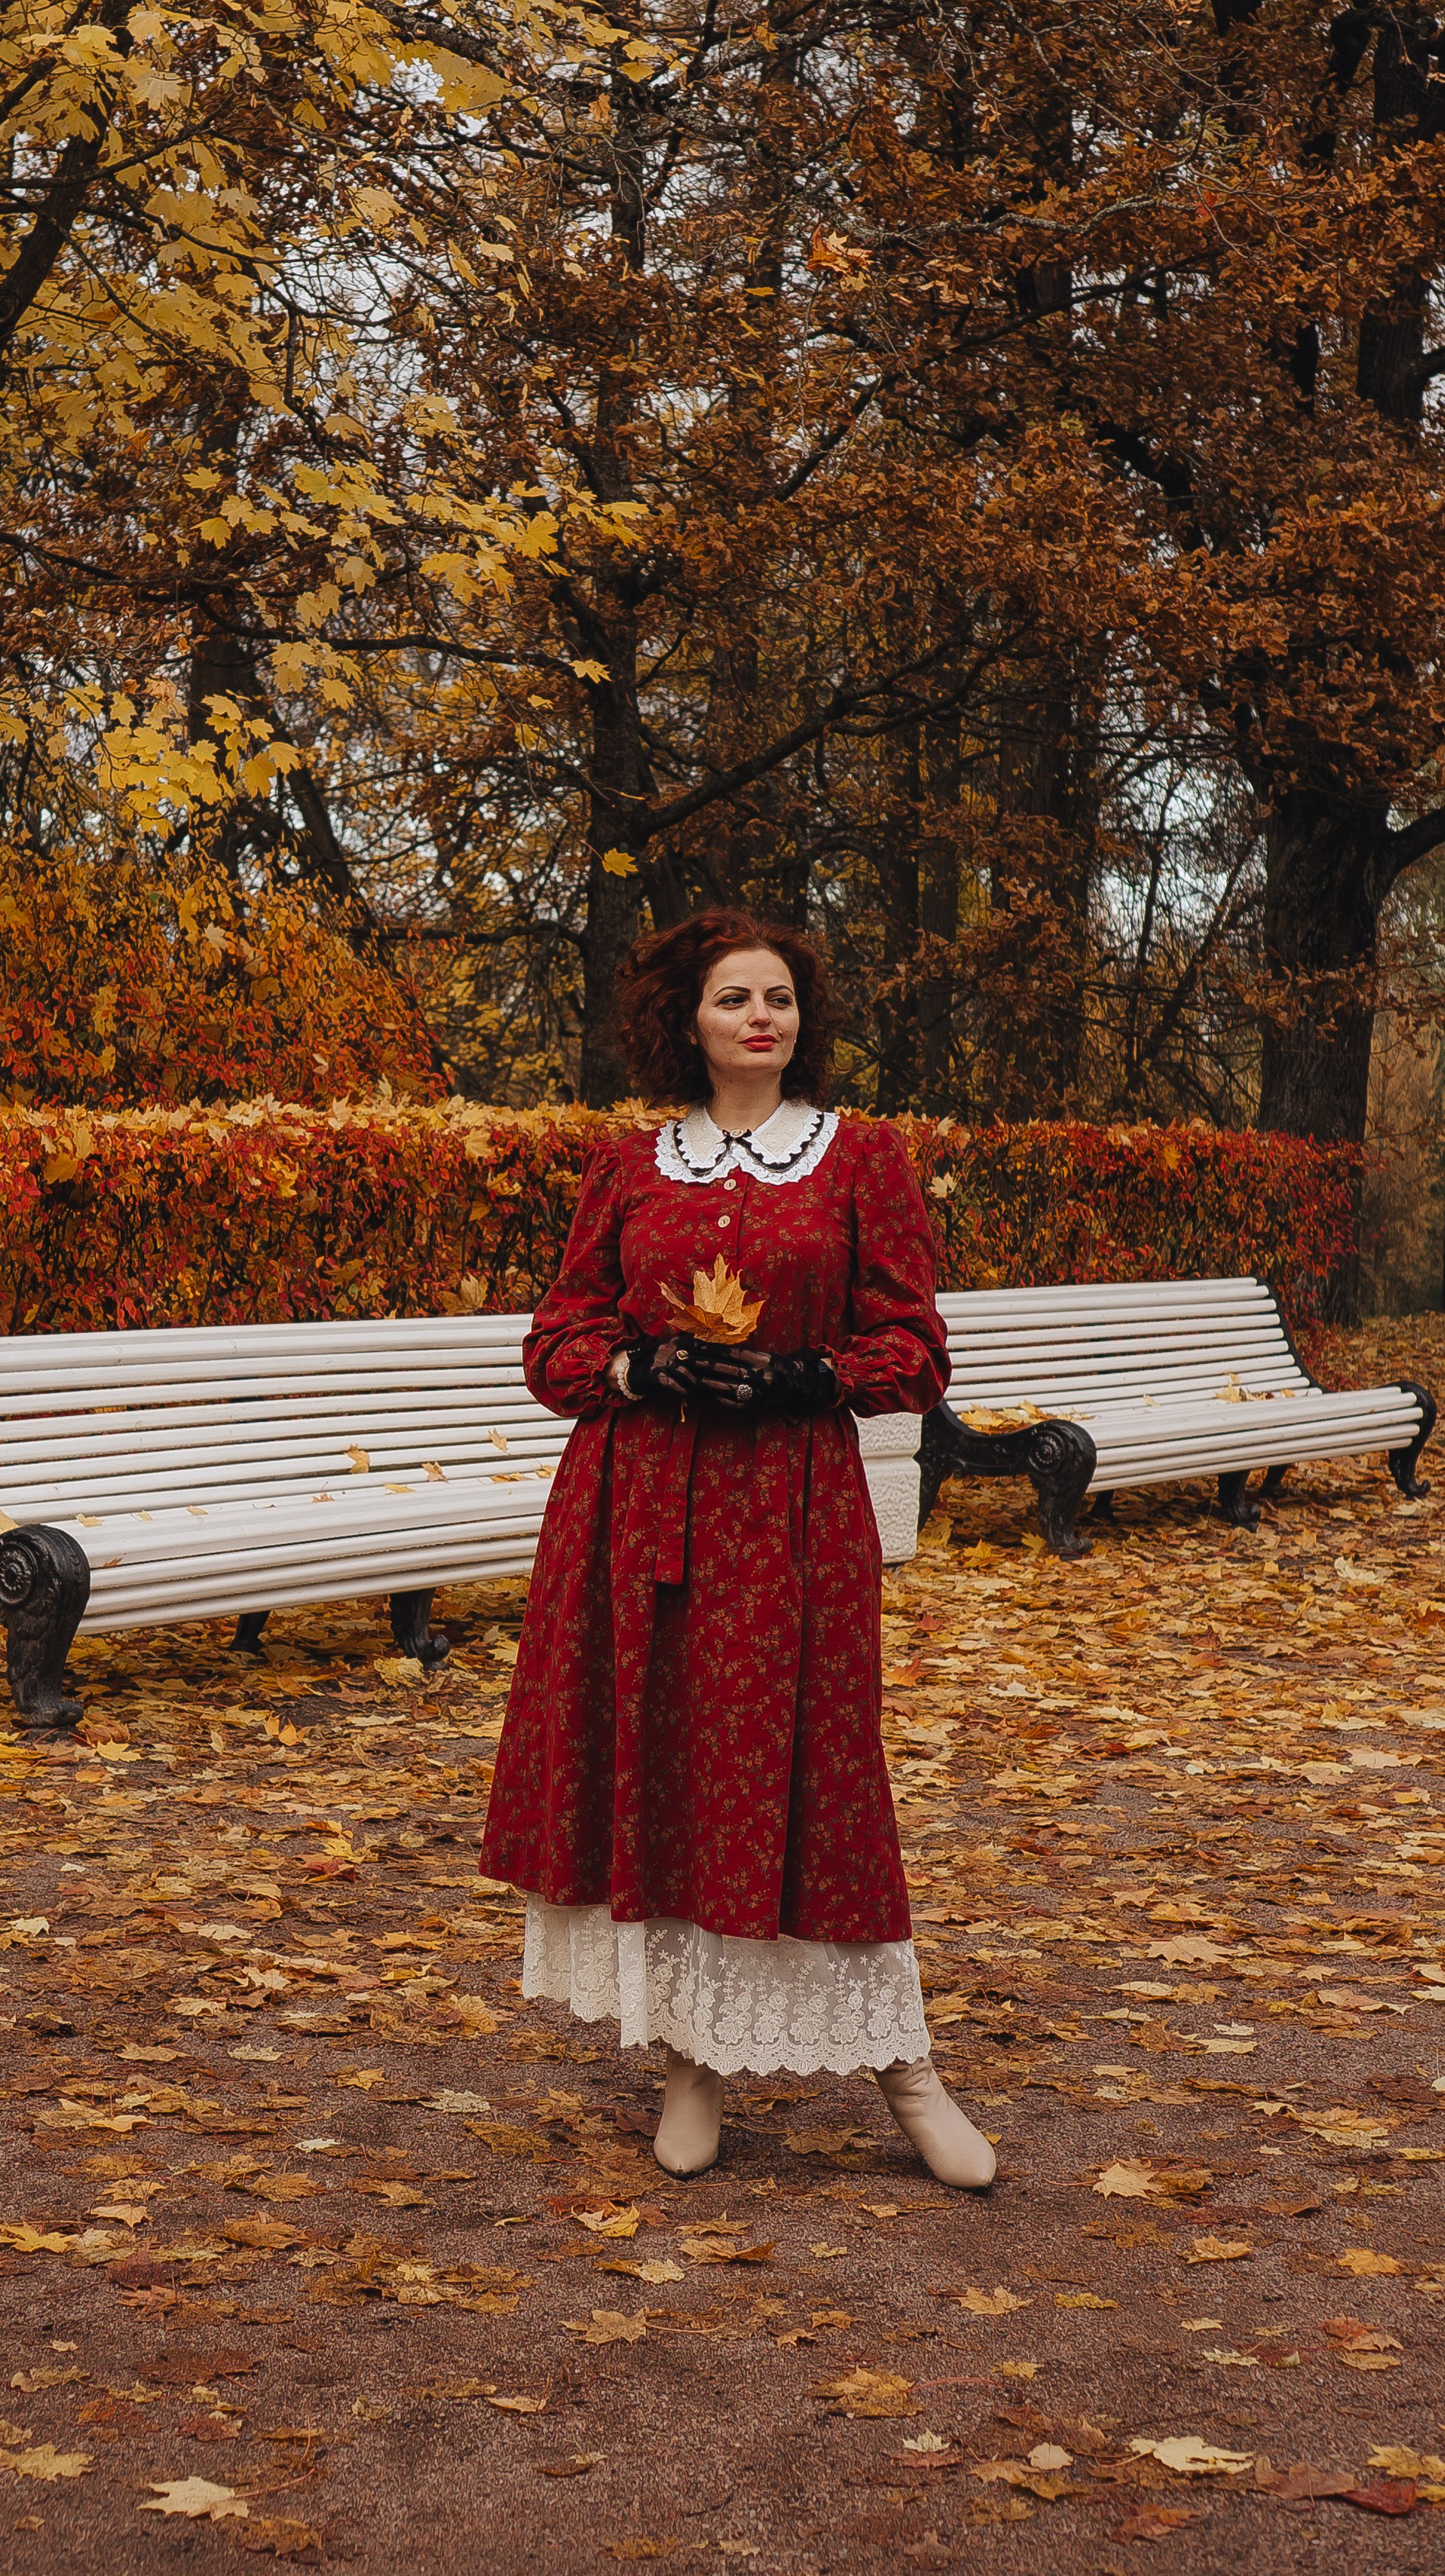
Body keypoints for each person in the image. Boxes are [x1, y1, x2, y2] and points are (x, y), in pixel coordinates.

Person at [478, 907, 994, 2188]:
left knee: (820, 1775)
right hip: (639, 1499)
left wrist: (813, 1378)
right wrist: (636, 1365)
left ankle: (907, 2070)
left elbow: (916, 1347)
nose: (761, 1018)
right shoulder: (632, 1166)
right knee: (669, 1767)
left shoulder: (860, 1158)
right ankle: (693, 2064)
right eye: (733, 999)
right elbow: (555, 1343)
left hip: (792, 1508)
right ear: (690, 1022)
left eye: (778, 999)